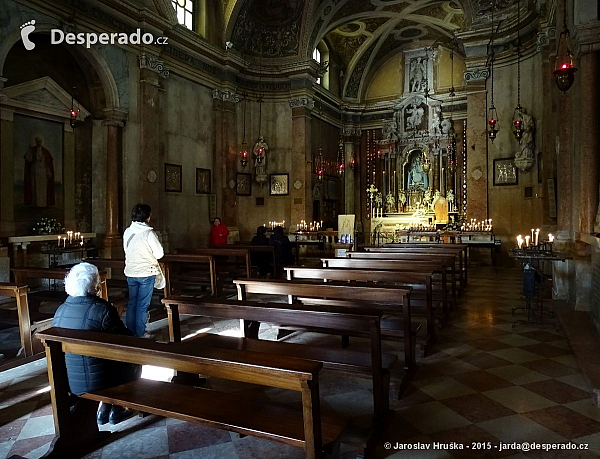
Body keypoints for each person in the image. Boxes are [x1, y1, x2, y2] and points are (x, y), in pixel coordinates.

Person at [52, 262, 141, 425]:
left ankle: (106, 410)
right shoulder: (103, 309)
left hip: (71, 381)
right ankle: (118, 408)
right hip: (99, 382)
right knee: (133, 360)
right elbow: (126, 341)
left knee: (101, 359)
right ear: (95, 286)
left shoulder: (61, 310)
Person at [123, 204, 164, 337]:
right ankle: (140, 333)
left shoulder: (127, 232)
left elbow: (126, 250)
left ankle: (130, 332)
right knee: (142, 305)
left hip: (131, 272)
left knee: (132, 303)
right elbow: (159, 254)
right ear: (147, 217)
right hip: (146, 272)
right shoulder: (149, 233)